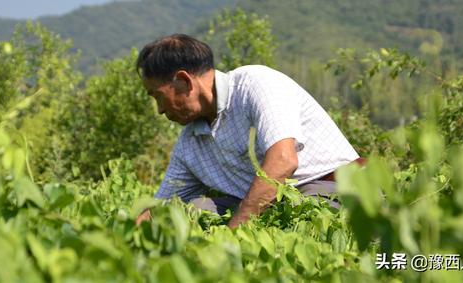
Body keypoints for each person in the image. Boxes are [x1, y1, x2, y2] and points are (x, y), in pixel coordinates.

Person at [135, 34, 361, 228]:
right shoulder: (189, 142)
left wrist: (233, 234)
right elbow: (160, 208)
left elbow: (283, 161)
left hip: (328, 188)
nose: (160, 110)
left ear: (184, 81)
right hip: (269, 205)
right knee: (192, 211)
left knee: (301, 217)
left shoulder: (254, 83)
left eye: (158, 95)